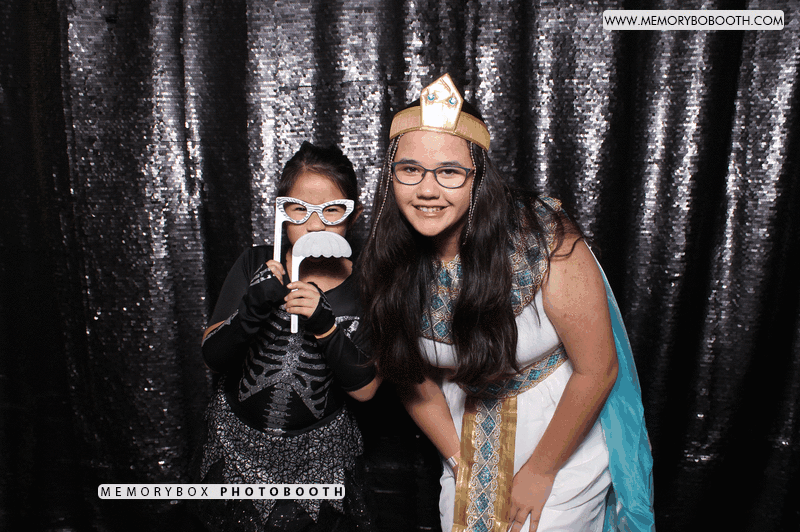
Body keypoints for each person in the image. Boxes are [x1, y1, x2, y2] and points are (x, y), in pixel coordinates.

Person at [360, 74, 654, 532]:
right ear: (391, 174)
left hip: (562, 427)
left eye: (449, 172)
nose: (427, 190)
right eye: (410, 169)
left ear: (478, 177)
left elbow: (598, 369)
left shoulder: (543, 238)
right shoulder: (389, 258)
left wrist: (541, 471)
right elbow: (411, 378)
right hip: (463, 423)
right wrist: (460, 458)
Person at [197, 141, 380, 531]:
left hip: (320, 459)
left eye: (332, 210)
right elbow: (213, 356)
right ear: (282, 211)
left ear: (354, 215)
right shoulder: (255, 263)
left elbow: (366, 390)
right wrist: (251, 309)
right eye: (299, 209)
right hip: (235, 448)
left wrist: (326, 327)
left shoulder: (370, 286)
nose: (314, 225)